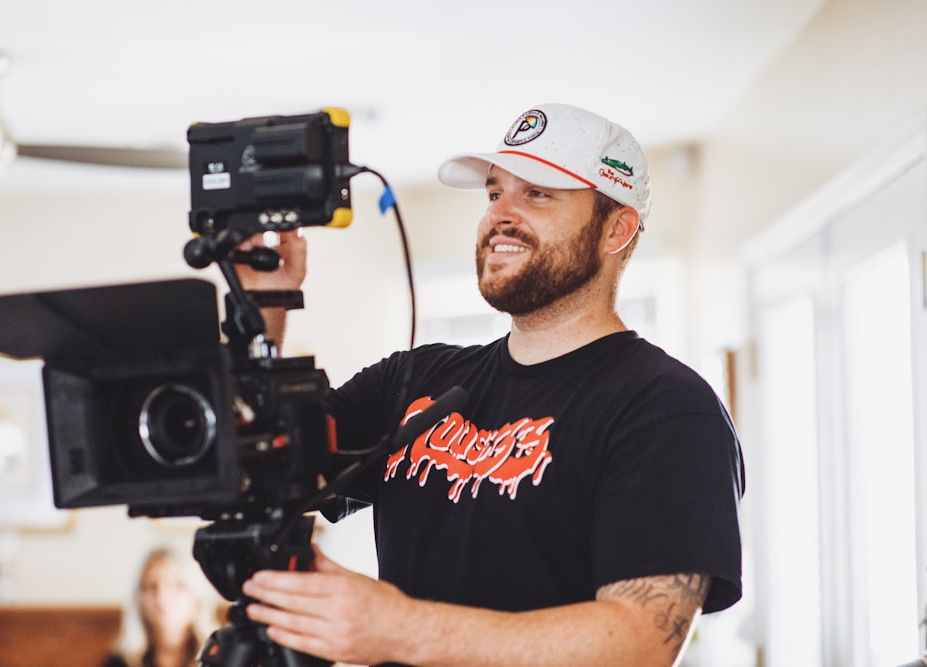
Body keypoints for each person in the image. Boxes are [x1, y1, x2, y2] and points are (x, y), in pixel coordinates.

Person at [236, 103, 745, 666]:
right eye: (494, 193)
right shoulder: (412, 379)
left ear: (616, 229)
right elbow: (247, 465)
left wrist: (398, 628)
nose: (500, 215)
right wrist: (264, 304)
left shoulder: (667, 408)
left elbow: (639, 642)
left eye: (539, 194)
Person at [102, 547, 216, 667]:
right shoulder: (120, 662)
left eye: (176, 586)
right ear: (139, 599)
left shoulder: (219, 657)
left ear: (197, 598)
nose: (161, 597)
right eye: (151, 586)